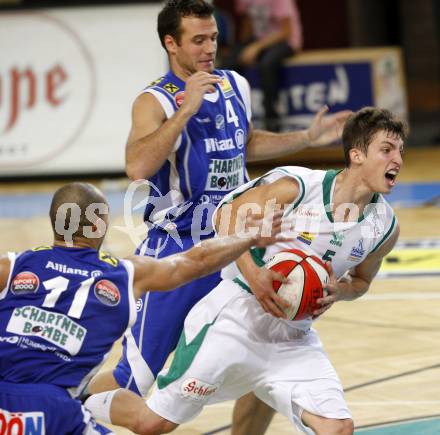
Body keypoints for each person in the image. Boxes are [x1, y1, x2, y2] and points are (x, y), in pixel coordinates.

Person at [87, 0, 351, 402]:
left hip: (238, 242)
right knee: (134, 379)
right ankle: (61, 405)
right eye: (197, 40)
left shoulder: (234, 84)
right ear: (170, 44)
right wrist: (186, 111)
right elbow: (136, 165)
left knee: (270, 348)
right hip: (180, 247)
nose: (209, 47)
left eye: (213, 37)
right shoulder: (154, 100)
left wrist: (307, 138)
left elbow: (244, 144)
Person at [85, 107, 407, 435]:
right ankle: (81, 404)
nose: (397, 159)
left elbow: (362, 280)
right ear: (356, 154)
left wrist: (341, 291)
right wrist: (254, 274)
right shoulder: (296, 187)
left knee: (337, 428)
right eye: (386, 150)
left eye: (400, 151)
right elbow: (224, 217)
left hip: (293, 337)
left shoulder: (384, 227)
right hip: (233, 319)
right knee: (154, 423)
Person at [0, 181, 285, 434]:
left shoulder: (10, 266)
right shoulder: (124, 274)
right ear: (100, 224)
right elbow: (195, 262)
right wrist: (249, 236)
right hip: (55, 410)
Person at [221, 0, 303, 131]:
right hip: (258, 39)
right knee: (227, 64)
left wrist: (256, 47)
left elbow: (286, 32)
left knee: (267, 64)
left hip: (285, 41)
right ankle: (228, 114)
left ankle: (272, 118)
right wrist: (241, 47)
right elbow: (248, 23)